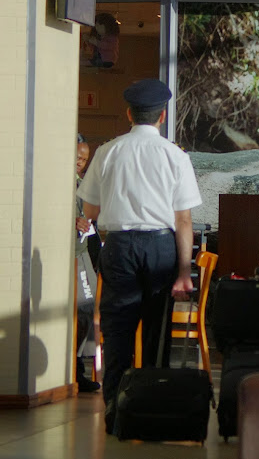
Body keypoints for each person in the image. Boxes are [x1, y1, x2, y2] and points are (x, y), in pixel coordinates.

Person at [76, 79, 202, 434]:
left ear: (129, 114)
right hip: (161, 247)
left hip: (119, 246)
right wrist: (184, 271)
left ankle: (115, 410)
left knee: (117, 329)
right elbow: (183, 220)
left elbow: (91, 210)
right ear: (162, 116)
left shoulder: (108, 151)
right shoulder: (175, 156)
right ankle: (150, 406)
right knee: (157, 330)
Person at [74, 133, 100, 393]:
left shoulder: (81, 183)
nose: (80, 163)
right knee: (85, 306)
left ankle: (80, 362)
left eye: (84, 159)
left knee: (90, 307)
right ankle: (76, 366)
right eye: (77, 157)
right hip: (75, 254)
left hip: (84, 251)